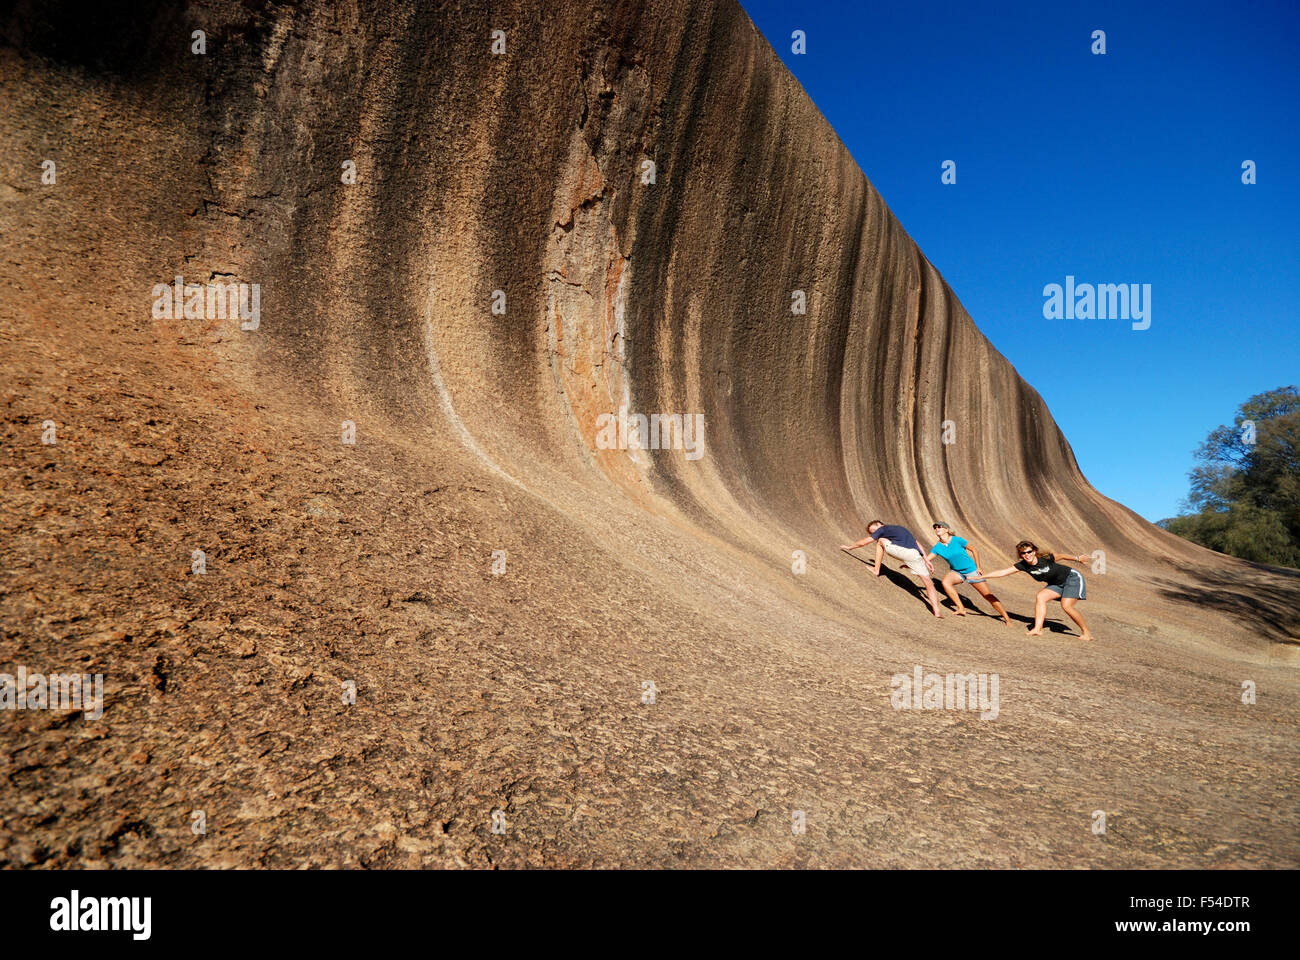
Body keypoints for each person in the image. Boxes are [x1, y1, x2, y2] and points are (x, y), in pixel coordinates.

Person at [981, 540, 1095, 641]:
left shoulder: (1046, 558)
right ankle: (1037, 629)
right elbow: (1003, 572)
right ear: (1020, 555)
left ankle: (1087, 633)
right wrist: (982, 577)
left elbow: (1062, 556)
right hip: (1056, 583)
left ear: (1034, 551)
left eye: (1029, 552)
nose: (1027, 555)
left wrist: (1077, 558)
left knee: (1066, 606)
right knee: (1041, 596)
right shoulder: (1023, 565)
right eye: (1023, 553)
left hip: (1071, 578)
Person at [841, 520, 945, 618]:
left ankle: (876, 569)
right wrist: (926, 560)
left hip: (901, 552)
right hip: (915, 555)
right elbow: (917, 543)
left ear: (879, 524)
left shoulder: (883, 529)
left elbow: (864, 542)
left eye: (874, 531)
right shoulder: (902, 529)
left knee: (880, 541)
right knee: (929, 584)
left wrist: (850, 547)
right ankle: (936, 610)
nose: (875, 534)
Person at [925, 522, 1013, 624]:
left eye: (939, 527)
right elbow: (927, 560)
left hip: (971, 571)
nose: (936, 529)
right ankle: (961, 608)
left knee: (987, 595)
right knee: (945, 582)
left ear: (946, 530)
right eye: (935, 528)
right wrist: (911, 564)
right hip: (957, 572)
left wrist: (978, 567)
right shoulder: (938, 547)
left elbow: (974, 550)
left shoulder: (957, 540)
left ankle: (1007, 618)